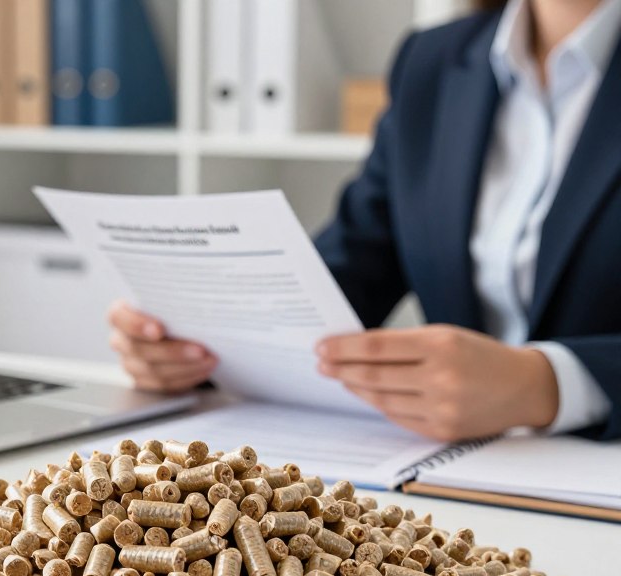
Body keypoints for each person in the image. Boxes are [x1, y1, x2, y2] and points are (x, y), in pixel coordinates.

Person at [108, 0, 621, 442]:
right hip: (451, 472)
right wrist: (197, 345)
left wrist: (548, 384)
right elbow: (349, 268)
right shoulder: (433, 61)